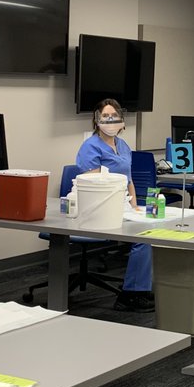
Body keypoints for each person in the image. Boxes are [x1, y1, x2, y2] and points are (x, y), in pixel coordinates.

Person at [75, 99, 153, 312]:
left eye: (114, 116)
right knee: (143, 239)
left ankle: (142, 287)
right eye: (105, 117)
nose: (110, 120)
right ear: (96, 120)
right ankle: (130, 295)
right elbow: (92, 183)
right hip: (100, 208)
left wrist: (135, 207)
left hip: (122, 206)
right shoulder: (90, 146)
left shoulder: (123, 145)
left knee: (152, 229)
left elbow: (129, 180)